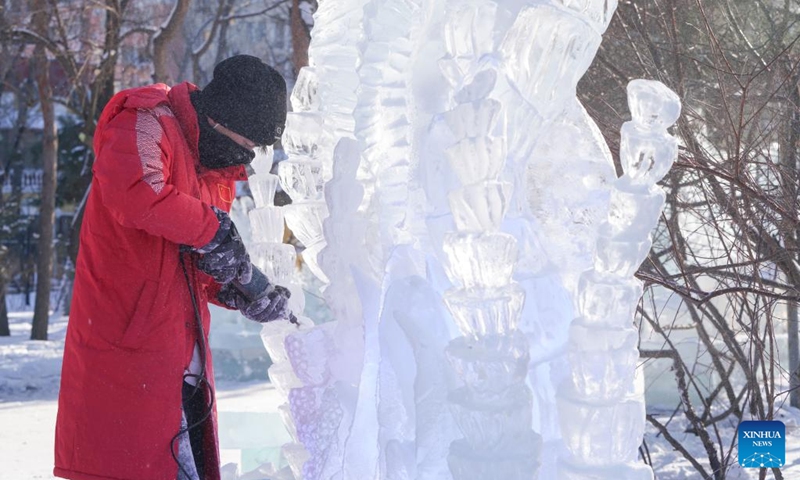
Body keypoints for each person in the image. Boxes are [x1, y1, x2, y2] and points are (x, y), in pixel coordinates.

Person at [54, 55, 293, 480]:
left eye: (253, 148)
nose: (245, 153)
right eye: (244, 140)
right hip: (127, 358)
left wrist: (234, 286)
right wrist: (214, 231)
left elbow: (193, 258)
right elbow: (141, 194)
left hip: (183, 362)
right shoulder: (145, 120)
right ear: (220, 116)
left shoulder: (214, 165)